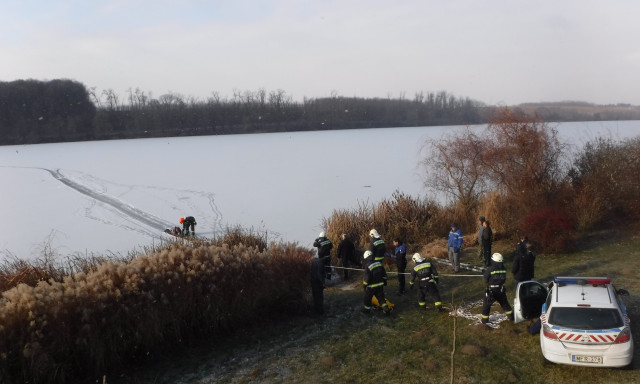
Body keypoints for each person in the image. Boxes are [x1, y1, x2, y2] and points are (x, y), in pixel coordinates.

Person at [481, 253, 514, 324]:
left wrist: (486, 273)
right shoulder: (504, 269)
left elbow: (485, 280)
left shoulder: (490, 269)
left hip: (491, 291)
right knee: (505, 304)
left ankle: (484, 321)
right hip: (501, 290)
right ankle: (511, 317)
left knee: (486, 306)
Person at [362, 250, 390, 315]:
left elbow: (367, 277)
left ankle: (367, 310)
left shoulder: (368, 266)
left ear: (366, 258)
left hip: (372, 286)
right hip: (380, 285)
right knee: (381, 298)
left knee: (367, 298)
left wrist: (364, 285)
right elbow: (384, 273)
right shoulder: (379, 263)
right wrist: (385, 281)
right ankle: (386, 309)